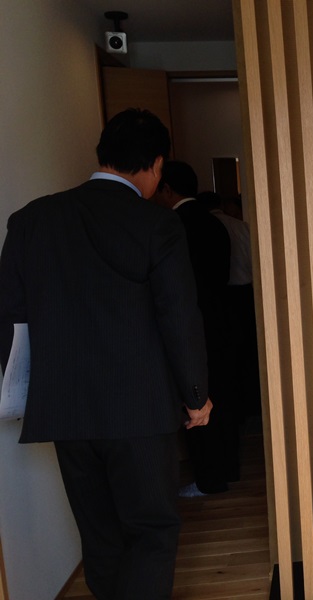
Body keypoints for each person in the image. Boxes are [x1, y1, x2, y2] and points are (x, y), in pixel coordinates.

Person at [0, 108, 212, 600]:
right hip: (141, 410)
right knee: (151, 529)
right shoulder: (157, 224)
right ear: (155, 164)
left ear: (104, 155)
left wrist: (29, 387)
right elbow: (179, 317)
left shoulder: (31, 220)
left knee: (98, 532)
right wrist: (196, 395)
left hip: (65, 410)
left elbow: (9, 317)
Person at [153, 161, 237, 495]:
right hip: (223, 319)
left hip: (191, 324)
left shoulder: (170, 225)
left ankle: (208, 479)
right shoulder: (216, 223)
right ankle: (228, 469)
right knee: (223, 396)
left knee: (197, 396)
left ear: (166, 189)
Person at [197, 190, 260, 421]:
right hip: (246, 294)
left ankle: (231, 406)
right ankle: (252, 406)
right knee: (249, 351)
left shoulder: (204, 228)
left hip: (222, 296)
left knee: (226, 353)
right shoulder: (243, 227)